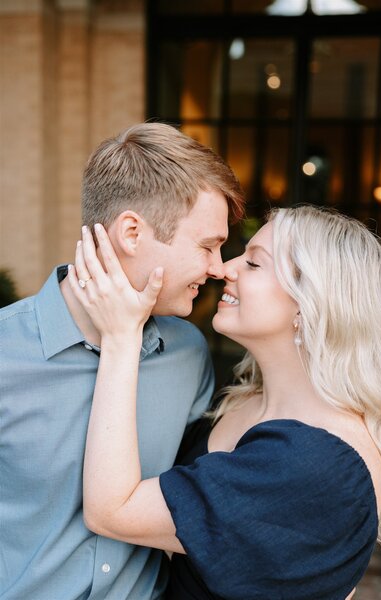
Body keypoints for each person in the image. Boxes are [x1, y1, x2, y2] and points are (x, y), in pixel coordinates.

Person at [68, 205, 381, 600]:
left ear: (308, 302)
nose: (225, 268)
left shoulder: (316, 463)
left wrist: (122, 338)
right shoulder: (244, 398)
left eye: (255, 263)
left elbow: (112, 511)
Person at [0, 123, 245, 600]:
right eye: (207, 245)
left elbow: (196, 504)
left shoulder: (187, 354)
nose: (219, 267)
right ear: (132, 232)